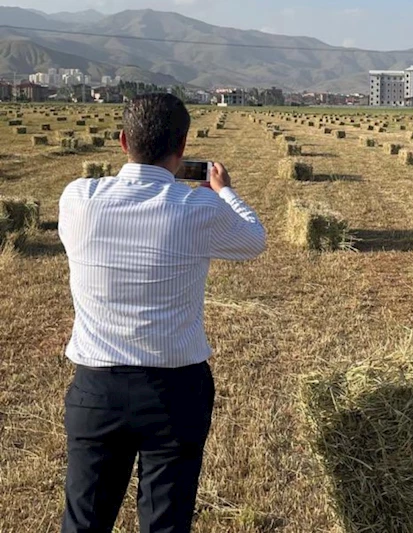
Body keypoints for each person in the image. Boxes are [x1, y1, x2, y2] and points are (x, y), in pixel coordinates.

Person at [58, 93, 266, 533]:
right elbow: (254, 239)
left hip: (97, 390)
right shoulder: (198, 208)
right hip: (175, 393)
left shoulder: (78, 199)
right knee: (166, 524)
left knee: (84, 522)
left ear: (122, 140)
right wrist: (224, 190)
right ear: (183, 145)